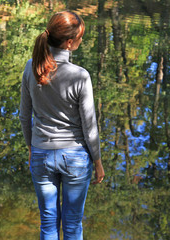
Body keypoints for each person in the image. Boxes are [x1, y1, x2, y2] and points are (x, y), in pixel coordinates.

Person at [19, 11, 105, 240]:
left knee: (48, 224)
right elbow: (89, 126)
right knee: (73, 224)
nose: (81, 41)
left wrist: (31, 149)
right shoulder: (80, 76)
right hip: (75, 157)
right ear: (69, 43)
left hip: (41, 154)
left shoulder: (31, 68)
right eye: (80, 37)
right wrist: (98, 162)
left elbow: (24, 115)